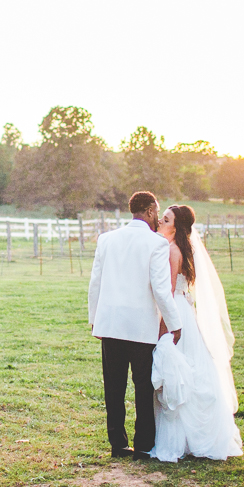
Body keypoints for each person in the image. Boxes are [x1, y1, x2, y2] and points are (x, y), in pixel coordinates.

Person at [87, 191, 185, 461]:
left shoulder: (106, 239)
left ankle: (117, 444)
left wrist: (94, 319)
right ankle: (143, 446)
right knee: (144, 386)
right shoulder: (156, 243)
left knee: (113, 387)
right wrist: (175, 324)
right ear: (152, 211)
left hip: (110, 325)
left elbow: (95, 282)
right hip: (142, 326)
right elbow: (161, 290)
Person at [150, 205, 243, 462]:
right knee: (192, 368)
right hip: (186, 312)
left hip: (174, 312)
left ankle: (180, 439)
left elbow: (167, 291)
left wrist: (161, 327)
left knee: (176, 372)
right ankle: (200, 436)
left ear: (175, 227)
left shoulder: (171, 250)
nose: (159, 221)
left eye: (165, 219)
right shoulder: (185, 249)